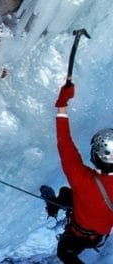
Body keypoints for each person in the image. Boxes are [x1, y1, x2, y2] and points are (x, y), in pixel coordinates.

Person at [40, 81, 113, 263]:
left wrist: (62, 104)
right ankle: (54, 207)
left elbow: (65, 144)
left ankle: (52, 208)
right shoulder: (82, 180)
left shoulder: (81, 178)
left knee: (64, 252)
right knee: (67, 194)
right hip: (96, 235)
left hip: (79, 235)